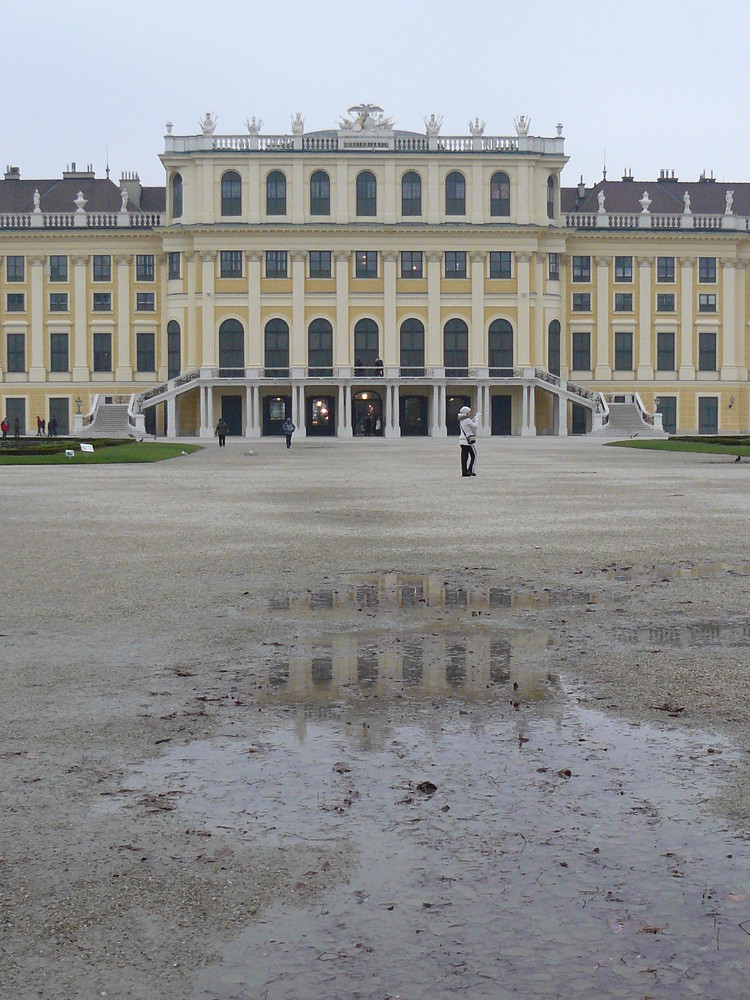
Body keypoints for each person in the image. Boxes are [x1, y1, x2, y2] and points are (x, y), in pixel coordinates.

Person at [458, 405, 480, 477]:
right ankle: (471, 470)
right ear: (466, 413)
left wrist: (473, 419)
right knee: (474, 455)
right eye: (469, 412)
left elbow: (469, 423)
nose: (470, 413)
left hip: (462, 441)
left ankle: (464, 472)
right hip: (468, 441)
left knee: (464, 457)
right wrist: (477, 418)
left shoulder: (462, 419)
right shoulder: (467, 420)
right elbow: (475, 426)